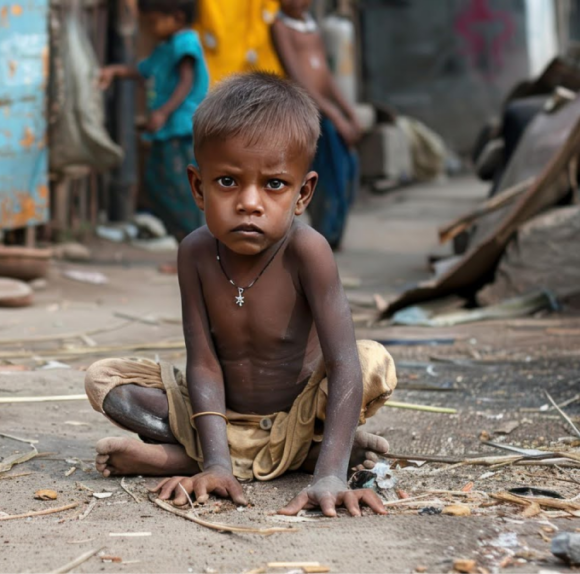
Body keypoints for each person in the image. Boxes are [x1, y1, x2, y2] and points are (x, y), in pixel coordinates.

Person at [84, 72, 397, 517]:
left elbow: (343, 362)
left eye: (274, 185)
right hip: (220, 417)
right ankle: (229, 460)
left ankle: (312, 454)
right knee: (104, 379)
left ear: (303, 193)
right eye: (228, 182)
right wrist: (215, 463)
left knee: (370, 361)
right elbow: (204, 362)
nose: (250, 202)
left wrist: (328, 475)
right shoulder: (194, 253)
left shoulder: (308, 252)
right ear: (198, 186)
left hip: (299, 418)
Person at [99, 0, 209, 239]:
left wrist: (163, 112)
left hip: (181, 129)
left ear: (177, 17)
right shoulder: (166, 46)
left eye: (153, 22)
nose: (150, 28)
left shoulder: (185, 42)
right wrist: (115, 71)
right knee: (157, 183)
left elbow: (186, 81)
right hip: (168, 130)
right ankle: (186, 240)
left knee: (180, 187)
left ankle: (195, 241)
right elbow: (143, 69)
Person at [271, 0, 360, 248]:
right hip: (312, 115)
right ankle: (323, 235)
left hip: (329, 113)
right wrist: (335, 115)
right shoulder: (280, 27)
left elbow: (326, 76)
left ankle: (335, 234)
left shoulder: (312, 27)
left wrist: (349, 112)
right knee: (323, 177)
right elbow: (298, 79)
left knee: (346, 172)